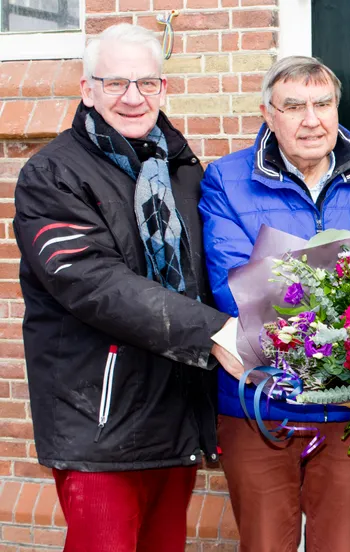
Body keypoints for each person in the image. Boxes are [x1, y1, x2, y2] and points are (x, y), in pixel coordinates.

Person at [12, 24, 245, 552]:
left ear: (164, 88)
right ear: (87, 89)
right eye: (115, 83)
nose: (133, 97)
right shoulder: (52, 174)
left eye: (146, 83)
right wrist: (215, 332)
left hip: (174, 412)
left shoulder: (181, 169)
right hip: (101, 419)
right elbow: (93, 283)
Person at [199, 56, 350, 552]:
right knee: (266, 543)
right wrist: (331, 345)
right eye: (293, 107)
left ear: (337, 109)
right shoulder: (226, 178)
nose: (312, 120)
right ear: (268, 115)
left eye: (323, 104)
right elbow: (234, 286)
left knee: (344, 543)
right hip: (260, 405)